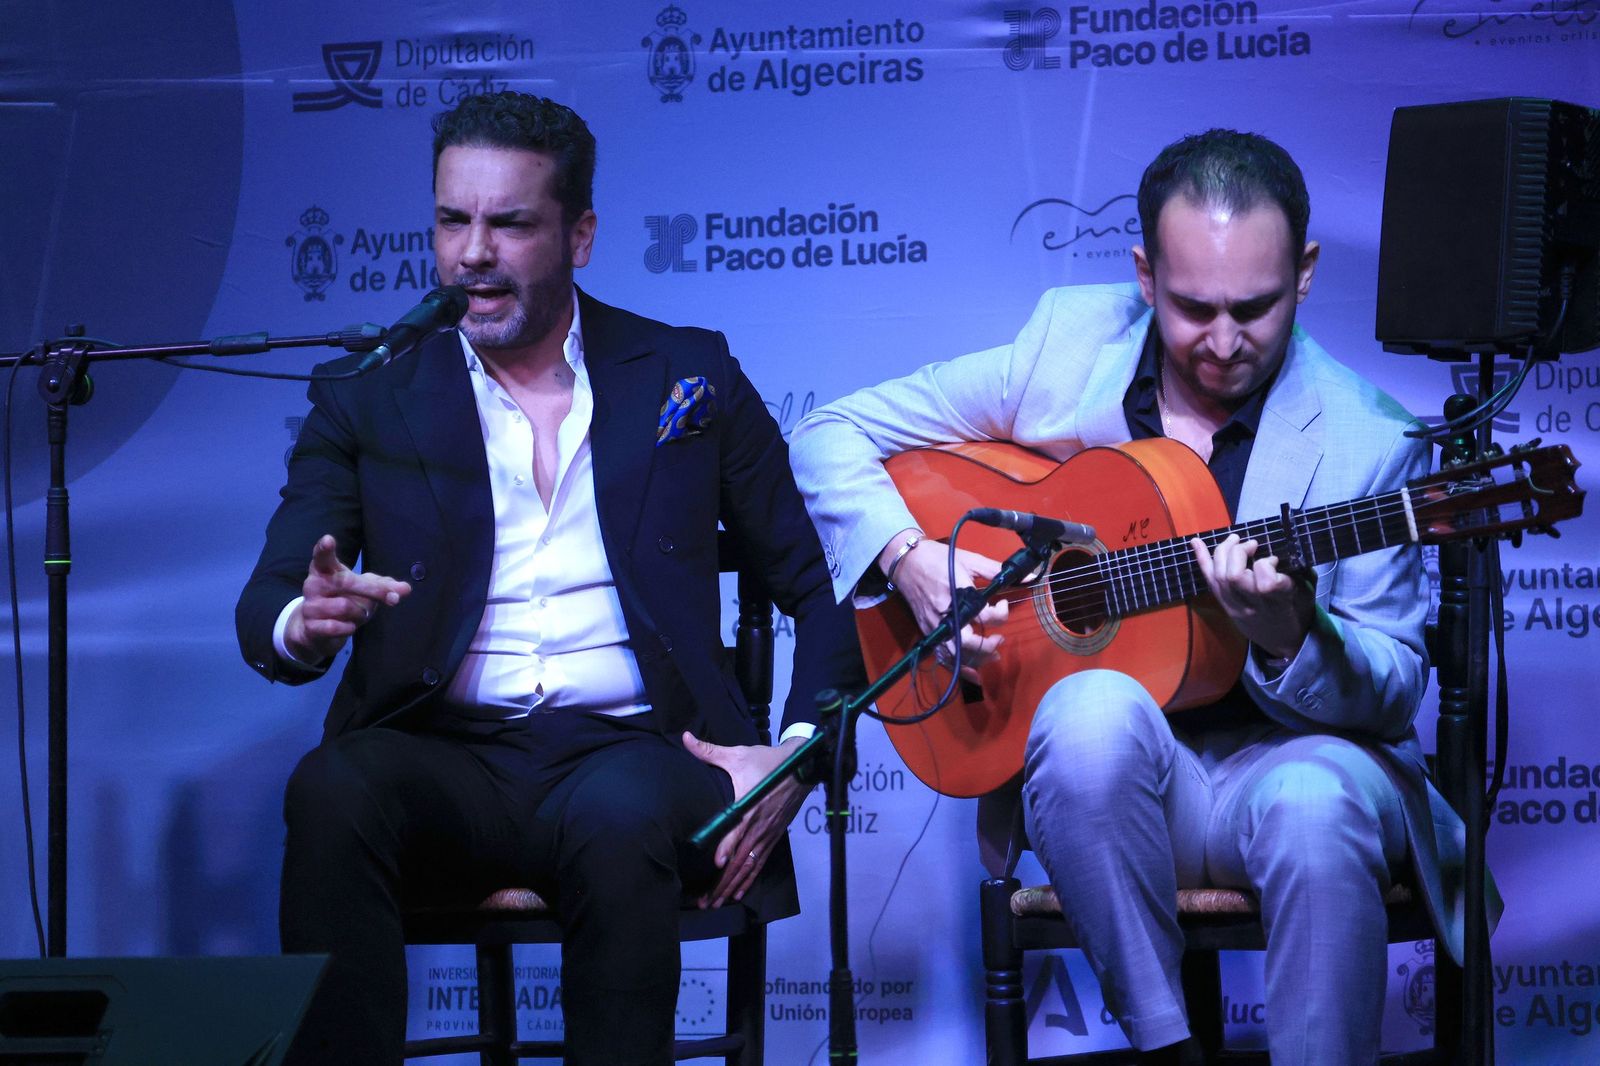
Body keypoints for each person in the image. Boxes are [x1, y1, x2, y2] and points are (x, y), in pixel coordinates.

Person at [790, 129, 1491, 1065]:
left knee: (1315, 805)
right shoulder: (1066, 346)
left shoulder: (1373, 441)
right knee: (1085, 711)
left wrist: (1293, 638)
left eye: (1257, 306)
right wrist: (912, 556)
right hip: (1125, 788)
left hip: (1294, 768)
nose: (1226, 342)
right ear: (1144, 275)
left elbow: (1395, 685)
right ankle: (1169, 1047)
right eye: (1194, 308)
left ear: (1308, 272)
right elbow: (829, 432)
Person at [236, 91, 861, 1066]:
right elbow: (271, 593)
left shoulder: (684, 373)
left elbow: (815, 591)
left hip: (635, 752)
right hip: (447, 755)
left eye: (508, 222)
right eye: (452, 219)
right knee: (333, 789)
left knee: (615, 817)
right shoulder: (368, 391)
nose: (471, 252)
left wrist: (794, 752)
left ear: (579, 234)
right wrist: (300, 621)